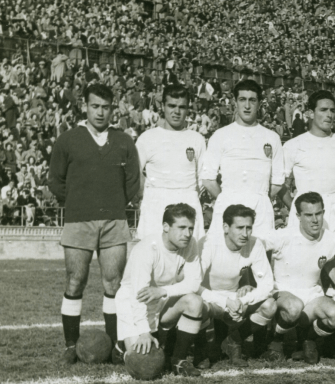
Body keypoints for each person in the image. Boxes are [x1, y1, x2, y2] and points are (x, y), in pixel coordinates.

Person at [48, 83, 141, 365]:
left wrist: (112, 204)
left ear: (113, 108)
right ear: (84, 107)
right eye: (95, 106)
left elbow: (133, 183)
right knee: (75, 280)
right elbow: (56, 182)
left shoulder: (124, 141)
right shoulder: (67, 140)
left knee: (113, 282)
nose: (101, 112)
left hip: (114, 220)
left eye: (106, 107)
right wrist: (79, 202)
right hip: (78, 219)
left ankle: (115, 346)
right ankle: (69, 345)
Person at [114, 203, 208, 377]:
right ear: (166, 227)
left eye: (190, 228)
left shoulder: (190, 243)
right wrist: (143, 332)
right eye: (181, 228)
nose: (187, 234)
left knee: (195, 301)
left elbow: (194, 283)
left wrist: (163, 291)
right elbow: (138, 295)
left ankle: (179, 360)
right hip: (132, 303)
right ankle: (122, 347)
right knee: (144, 367)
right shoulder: (147, 248)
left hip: (160, 300)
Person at [260, 192, 335, 364]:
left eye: (318, 214)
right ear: (298, 216)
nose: (315, 220)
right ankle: (274, 341)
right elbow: (256, 247)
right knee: (293, 307)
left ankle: (308, 339)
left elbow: (329, 260)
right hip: (284, 293)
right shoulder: (283, 236)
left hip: (312, 293)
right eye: (308, 215)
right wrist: (262, 277)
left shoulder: (328, 237)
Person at [201, 80, 285, 238]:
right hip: (227, 206)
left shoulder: (272, 137)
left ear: (259, 103)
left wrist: (260, 199)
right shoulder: (220, 135)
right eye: (242, 100)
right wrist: (226, 199)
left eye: (252, 100)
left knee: (260, 256)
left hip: (260, 210)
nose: (247, 106)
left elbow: (278, 181)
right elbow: (207, 179)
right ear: (235, 102)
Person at [197, 204, 276, 367]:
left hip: (234, 298)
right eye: (240, 228)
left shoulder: (255, 244)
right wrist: (225, 302)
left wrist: (245, 300)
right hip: (208, 297)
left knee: (270, 305)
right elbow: (193, 284)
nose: (245, 233)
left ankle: (234, 340)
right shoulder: (208, 243)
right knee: (195, 305)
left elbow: (267, 284)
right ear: (226, 227)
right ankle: (203, 348)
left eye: (249, 228)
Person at [135, 84, 206, 242]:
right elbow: (135, 171)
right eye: (172, 106)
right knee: (154, 256)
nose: (176, 111)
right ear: (162, 106)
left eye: (182, 107)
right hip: (155, 202)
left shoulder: (197, 139)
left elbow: (202, 178)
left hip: (188, 200)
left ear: (188, 109)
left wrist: (188, 194)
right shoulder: (147, 137)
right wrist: (145, 195)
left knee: (190, 260)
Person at [282, 90, 335, 245]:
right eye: (323, 110)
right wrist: (297, 207)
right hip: (305, 211)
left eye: (332, 110)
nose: (329, 115)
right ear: (310, 113)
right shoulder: (293, 145)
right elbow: (282, 184)